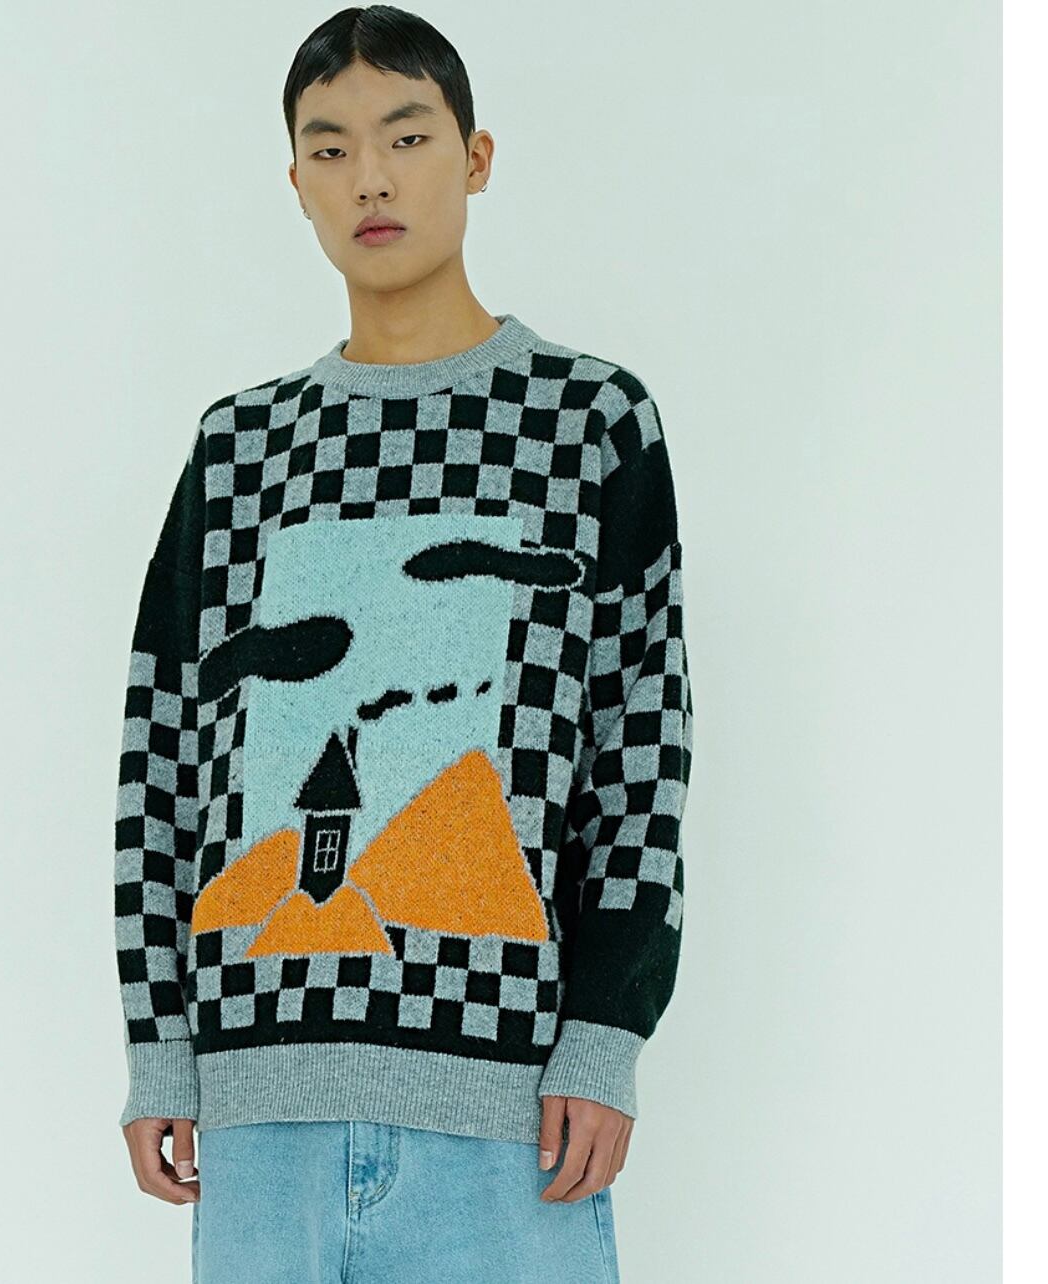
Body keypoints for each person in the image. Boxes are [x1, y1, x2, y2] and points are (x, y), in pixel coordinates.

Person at [112, 7, 693, 1281]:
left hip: (509, 1117)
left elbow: (641, 745)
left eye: (406, 136)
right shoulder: (238, 449)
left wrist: (606, 1034)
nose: (369, 178)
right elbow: (160, 754)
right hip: (257, 1116)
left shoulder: (589, 421)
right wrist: (160, 1046)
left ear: (475, 158)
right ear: (296, 183)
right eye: (329, 149)